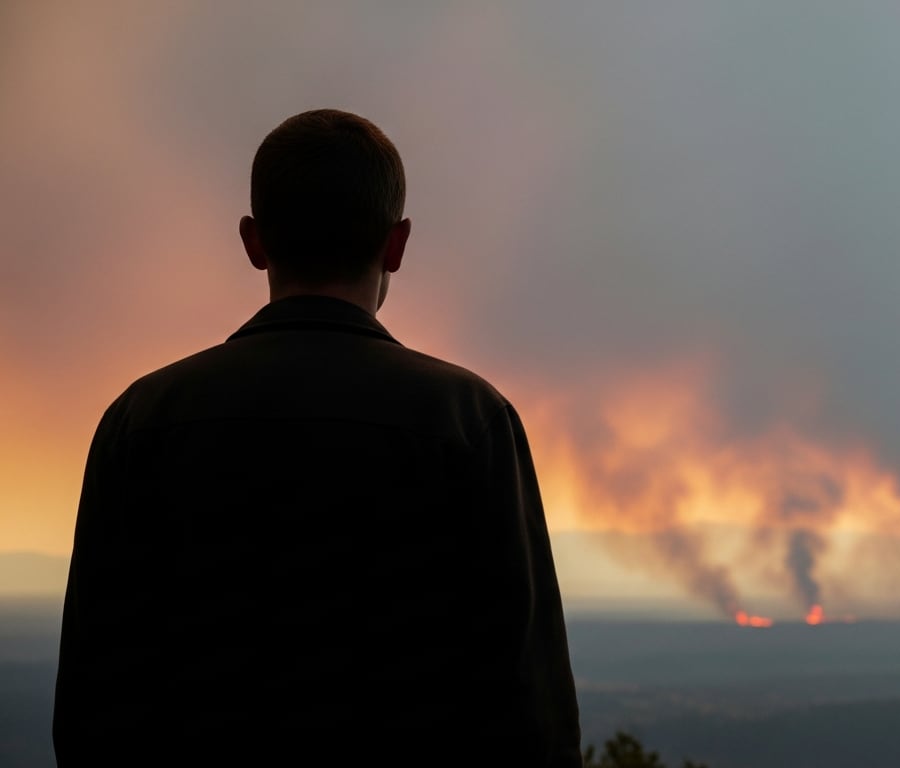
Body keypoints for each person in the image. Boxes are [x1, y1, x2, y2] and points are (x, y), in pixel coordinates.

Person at [52, 109, 582, 765]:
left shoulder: (141, 420)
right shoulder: (470, 420)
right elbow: (529, 710)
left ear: (253, 241)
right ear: (396, 245)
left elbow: (91, 703)